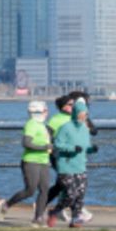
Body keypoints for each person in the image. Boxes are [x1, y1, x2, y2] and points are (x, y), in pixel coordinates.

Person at [45, 91, 96, 223]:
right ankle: (54, 211)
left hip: (80, 165)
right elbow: (56, 143)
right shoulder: (64, 126)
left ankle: (75, 218)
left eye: (86, 114)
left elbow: (86, 144)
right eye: (82, 114)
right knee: (70, 194)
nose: (84, 117)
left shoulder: (85, 129)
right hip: (65, 164)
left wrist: (91, 149)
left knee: (80, 194)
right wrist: (71, 149)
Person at [2, 100, 52, 226]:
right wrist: (45, 147)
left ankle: (38, 217)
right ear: (38, 112)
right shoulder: (31, 124)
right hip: (31, 161)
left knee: (45, 190)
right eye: (45, 110)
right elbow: (26, 143)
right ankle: (7, 204)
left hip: (44, 161)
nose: (47, 112)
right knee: (30, 190)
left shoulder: (43, 125)